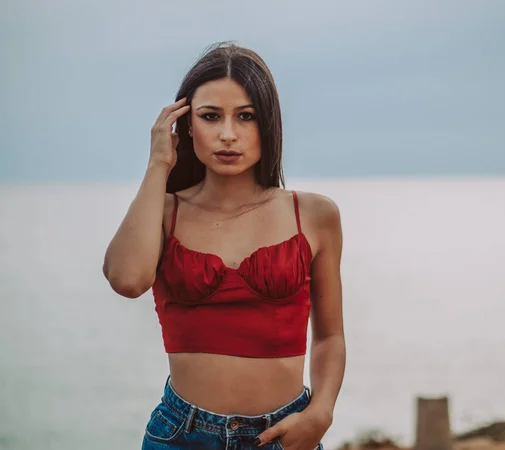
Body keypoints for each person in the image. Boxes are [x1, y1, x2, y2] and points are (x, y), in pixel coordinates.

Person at [102, 42, 346, 450]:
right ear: (186, 125)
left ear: (267, 124)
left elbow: (329, 335)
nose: (228, 134)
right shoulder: (164, 212)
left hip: (286, 435)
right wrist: (158, 164)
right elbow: (127, 280)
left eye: (246, 117)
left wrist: (320, 413)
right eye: (211, 116)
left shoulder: (315, 215)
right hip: (182, 434)